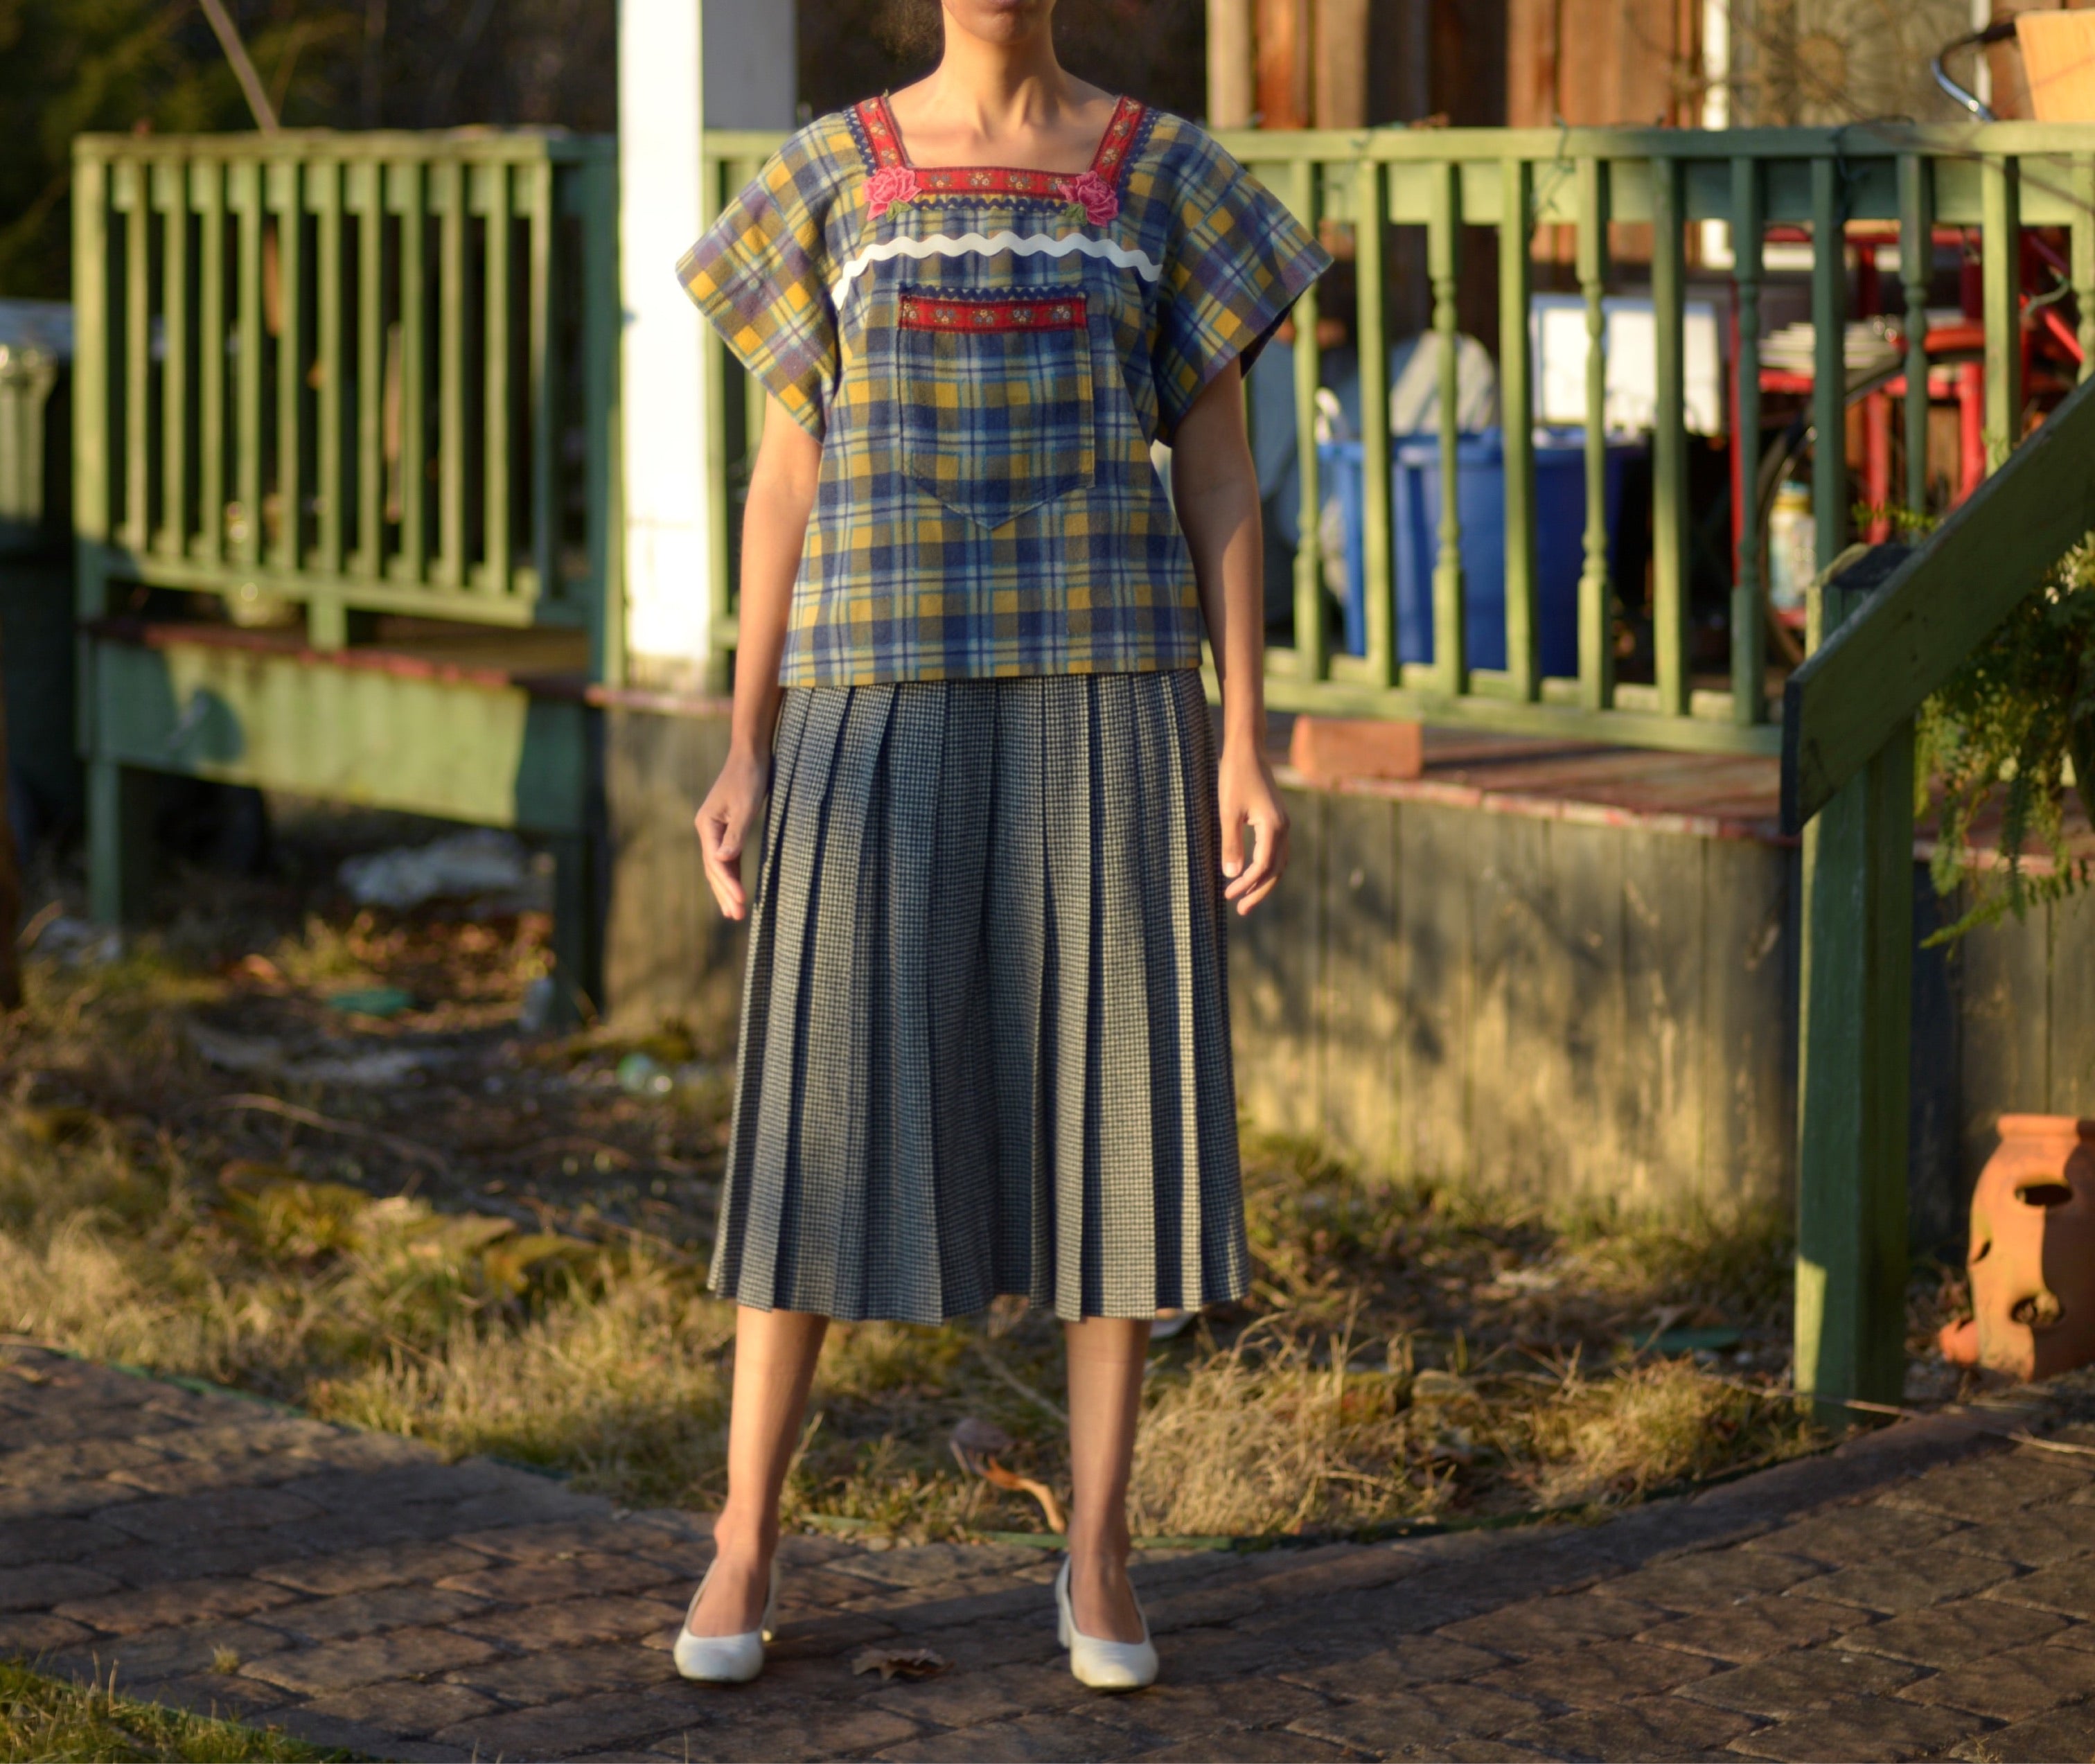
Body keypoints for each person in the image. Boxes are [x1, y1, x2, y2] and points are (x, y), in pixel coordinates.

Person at [672, 0, 1327, 1691]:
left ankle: (1100, 1545)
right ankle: (747, 1527)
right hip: (866, 690)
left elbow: (1223, 469)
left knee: (1118, 1101)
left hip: (1109, 684)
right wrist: (745, 738)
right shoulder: (832, 173)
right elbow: (782, 479)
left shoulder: (1167, 173)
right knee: (820, 1100)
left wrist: (1244, 732)